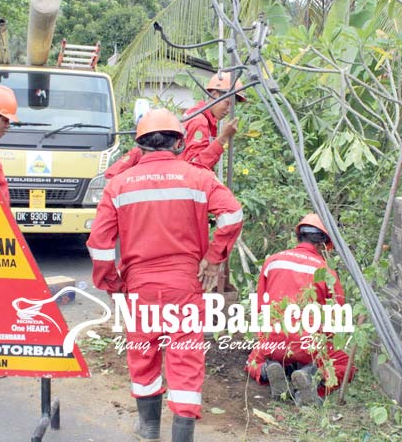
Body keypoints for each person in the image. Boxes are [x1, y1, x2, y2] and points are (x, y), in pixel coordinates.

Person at [86, 108, 243, 442]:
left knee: (143, 353)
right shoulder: (198, 177)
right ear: (178, 142)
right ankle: (181, 436)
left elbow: (99, 245)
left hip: (139, 285)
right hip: (186, 283)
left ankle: (149, 427)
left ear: (141, 144)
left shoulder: (119, 185)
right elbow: (232, 214)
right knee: (186, 359)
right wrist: (214, 259)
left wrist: (113, 284)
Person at [245, 213, 354, 406]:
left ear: (299, 236)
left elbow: (261, 307)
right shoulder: (326, 272)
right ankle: (312, 377)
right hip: (307, 347)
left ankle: (267, 369)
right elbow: (335, 318)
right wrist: (323, 345)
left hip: (274, 343)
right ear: (322, 244)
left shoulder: (273, 261)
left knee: (253, 360)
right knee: (344, 364)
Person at [104, 72, 246, 179]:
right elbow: (195, 168)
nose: (228, 110)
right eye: (227, 103)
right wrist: (222, 139)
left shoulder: (196, 116)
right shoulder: (199, 122)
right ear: (215, 94)